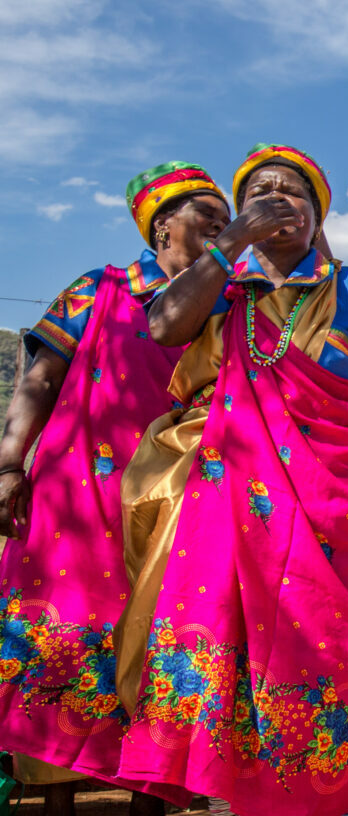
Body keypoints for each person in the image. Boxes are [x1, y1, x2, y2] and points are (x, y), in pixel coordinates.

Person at [114, 143, 348, 816]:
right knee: (227, 656)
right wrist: (230, 243)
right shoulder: (222, 283)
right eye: (261, 192)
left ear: (317, 214)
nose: (279, 199)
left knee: (330, 654)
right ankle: (225, 800)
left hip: (341, 500)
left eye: (295, 191)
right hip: (230, 502)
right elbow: (164, 325)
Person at [0, 162, 229, 816]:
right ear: (162, 226)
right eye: (206, 214)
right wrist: (9, 463)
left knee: (162, 637)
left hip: (178, 502)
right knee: (64, 633)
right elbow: (40, 379)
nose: (221, 226)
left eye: (226, 218)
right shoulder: (98, 290)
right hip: (77, 496)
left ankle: (147, 802)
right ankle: (56, 802)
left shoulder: (230, 304)